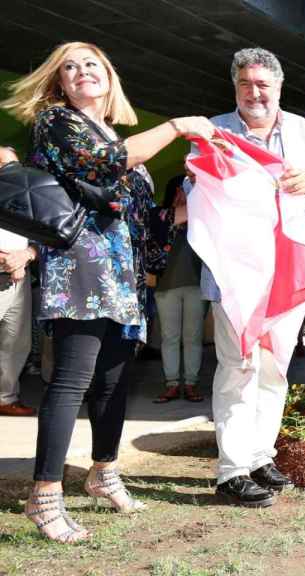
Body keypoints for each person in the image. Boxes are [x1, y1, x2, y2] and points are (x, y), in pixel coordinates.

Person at [1, 41, 215, 542]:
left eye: (91, 64)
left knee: (114, 381)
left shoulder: (110, 132)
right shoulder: (57, 123)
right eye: (69, 68)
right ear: (58, 83)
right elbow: (103, 164)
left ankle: (103, 472)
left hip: (123, 278)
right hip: (80, 271)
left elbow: (146, 222)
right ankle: (45, 496)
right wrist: (177, 126)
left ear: (109, 78)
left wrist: (195, 205)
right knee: (71, 380)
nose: (81, 72)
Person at [202, 48, 305, 507]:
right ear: (235, 88)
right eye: (245, 84)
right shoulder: (215, 130)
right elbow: (195, 188)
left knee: (273, 368)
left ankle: (261, 456)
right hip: (236, 271)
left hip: (289, 267)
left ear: (279, 87)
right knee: (238, 366)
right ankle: (232, 472)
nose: (254, 92)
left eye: (262, 84)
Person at [148, 174, 206, 403]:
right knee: (169, 337)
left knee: (193, 337)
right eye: (181, 189)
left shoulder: (202, 217)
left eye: (189, 189)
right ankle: (171, 384)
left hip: (197, 285)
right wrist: (177, 212)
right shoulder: (158, 216)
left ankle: (191, 384)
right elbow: (156, 238)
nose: (184, 194)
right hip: (165, 286)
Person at [0, 146, 37, 417]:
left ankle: (5, 397)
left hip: (19, 277)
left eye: (16, 165)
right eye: (6, 165)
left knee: (16, 341)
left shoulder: (27, 195)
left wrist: (25, 256)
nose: (13, 171)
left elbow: (44, 233)